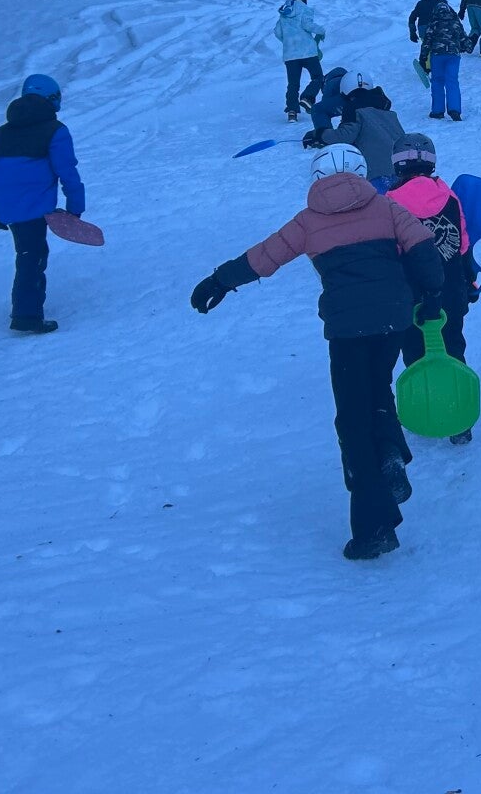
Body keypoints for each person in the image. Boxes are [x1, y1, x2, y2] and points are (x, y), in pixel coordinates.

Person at [190, 144, 444, 561]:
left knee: (352, 420)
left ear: (316, 177)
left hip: (347, 327)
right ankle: (391, 454)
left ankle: (374, 530)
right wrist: (431, 294)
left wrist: (220, 281)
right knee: (378, 390)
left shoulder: (308, 221)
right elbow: (423, 250)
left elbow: (264, 256)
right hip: (392, 319)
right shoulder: (387, 208)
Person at [384, 133, 481, 444]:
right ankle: (459, 418)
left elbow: (389, 254)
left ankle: (426, 409)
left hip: (410, 299)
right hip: (449, 294)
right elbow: (462, 244)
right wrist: (468, 279)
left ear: (397, 165)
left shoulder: (389, 204)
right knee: (452, 347)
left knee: (415, 353)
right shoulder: (450, 198)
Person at [0, 73, 85, 335]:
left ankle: (26, 310)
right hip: (36, 208)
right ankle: (26, 315)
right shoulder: (55, 131)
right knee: (31, 258)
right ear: (53, 99)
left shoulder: (2, 134)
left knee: (29, 254)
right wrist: (75, 206)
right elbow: (67, 171)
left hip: (9, 209)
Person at [330, 73, 407, 175]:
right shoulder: (386, 110)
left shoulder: (353, 108)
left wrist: (320, 134)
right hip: (402, 169)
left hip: (377, 172)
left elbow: (344, 136)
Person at [418, 0, 476, 121]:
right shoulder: (455, 22)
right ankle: (455, 109)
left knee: (437, 81)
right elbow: (464, 39)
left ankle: (437, 111)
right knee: (452, 81)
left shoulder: (433, 23)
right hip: (453, 55)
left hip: (437, 56)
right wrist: (469, 45)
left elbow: (426, 42)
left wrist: (423, 58)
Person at [275, 0, 325, 122]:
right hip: (308, 52)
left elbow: (278, 32)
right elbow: (307, 25)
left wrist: (288, 42)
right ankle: (307, 98)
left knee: (293, 84)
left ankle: (292, 112)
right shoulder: (304, 9)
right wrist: (321, 30)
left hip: (290, 55)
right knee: (318, 77)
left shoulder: (284, 12)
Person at [298, 64, 350, 148]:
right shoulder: (347, 80)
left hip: (344, 102)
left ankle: (324, 138)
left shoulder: (329, 83)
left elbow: (325, 106)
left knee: (318, 109)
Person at [406, 0, 445, 82]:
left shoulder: (420, 3)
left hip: (423, 28)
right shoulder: (442, 2)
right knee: (437, 47)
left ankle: (425, 66)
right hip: (437, 28)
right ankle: (433, 66)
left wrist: (412, 32)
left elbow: (412, 18)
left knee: (426, 46)